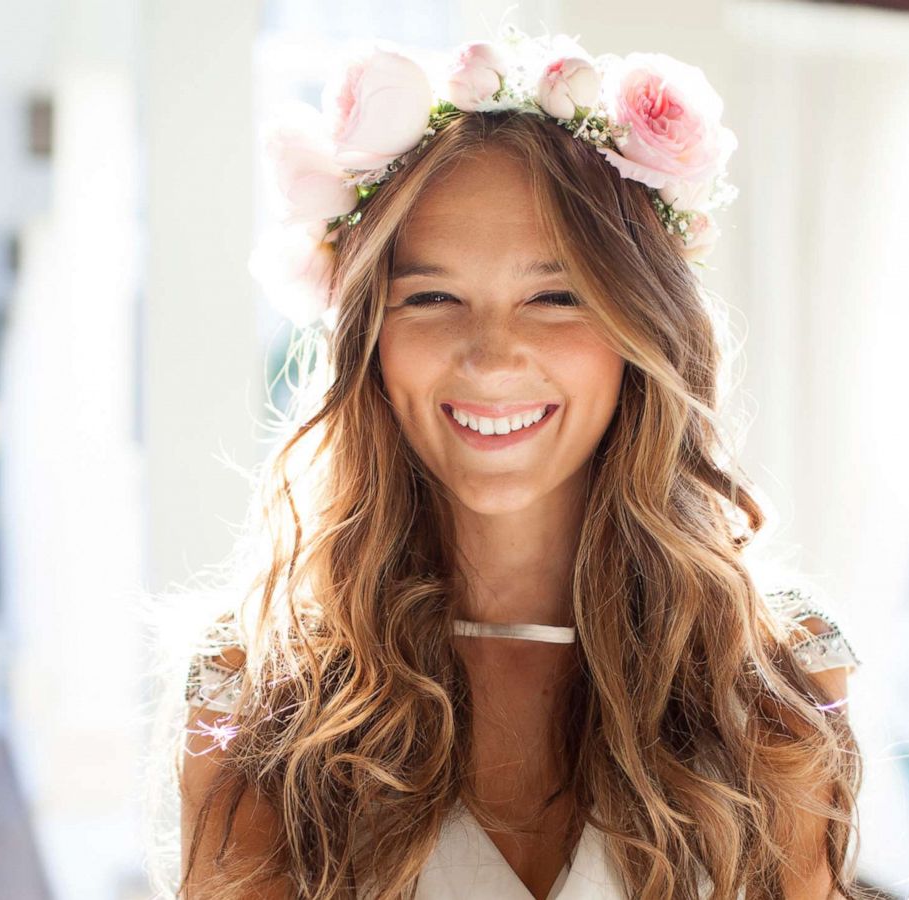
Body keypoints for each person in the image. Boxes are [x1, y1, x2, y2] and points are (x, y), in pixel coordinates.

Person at [171, 28, 866, 900]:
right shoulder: (256, 685)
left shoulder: (776, 667)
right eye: (430, 297)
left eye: (555, 295)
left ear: (640, 330)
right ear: (368, 344)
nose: (493, 356)